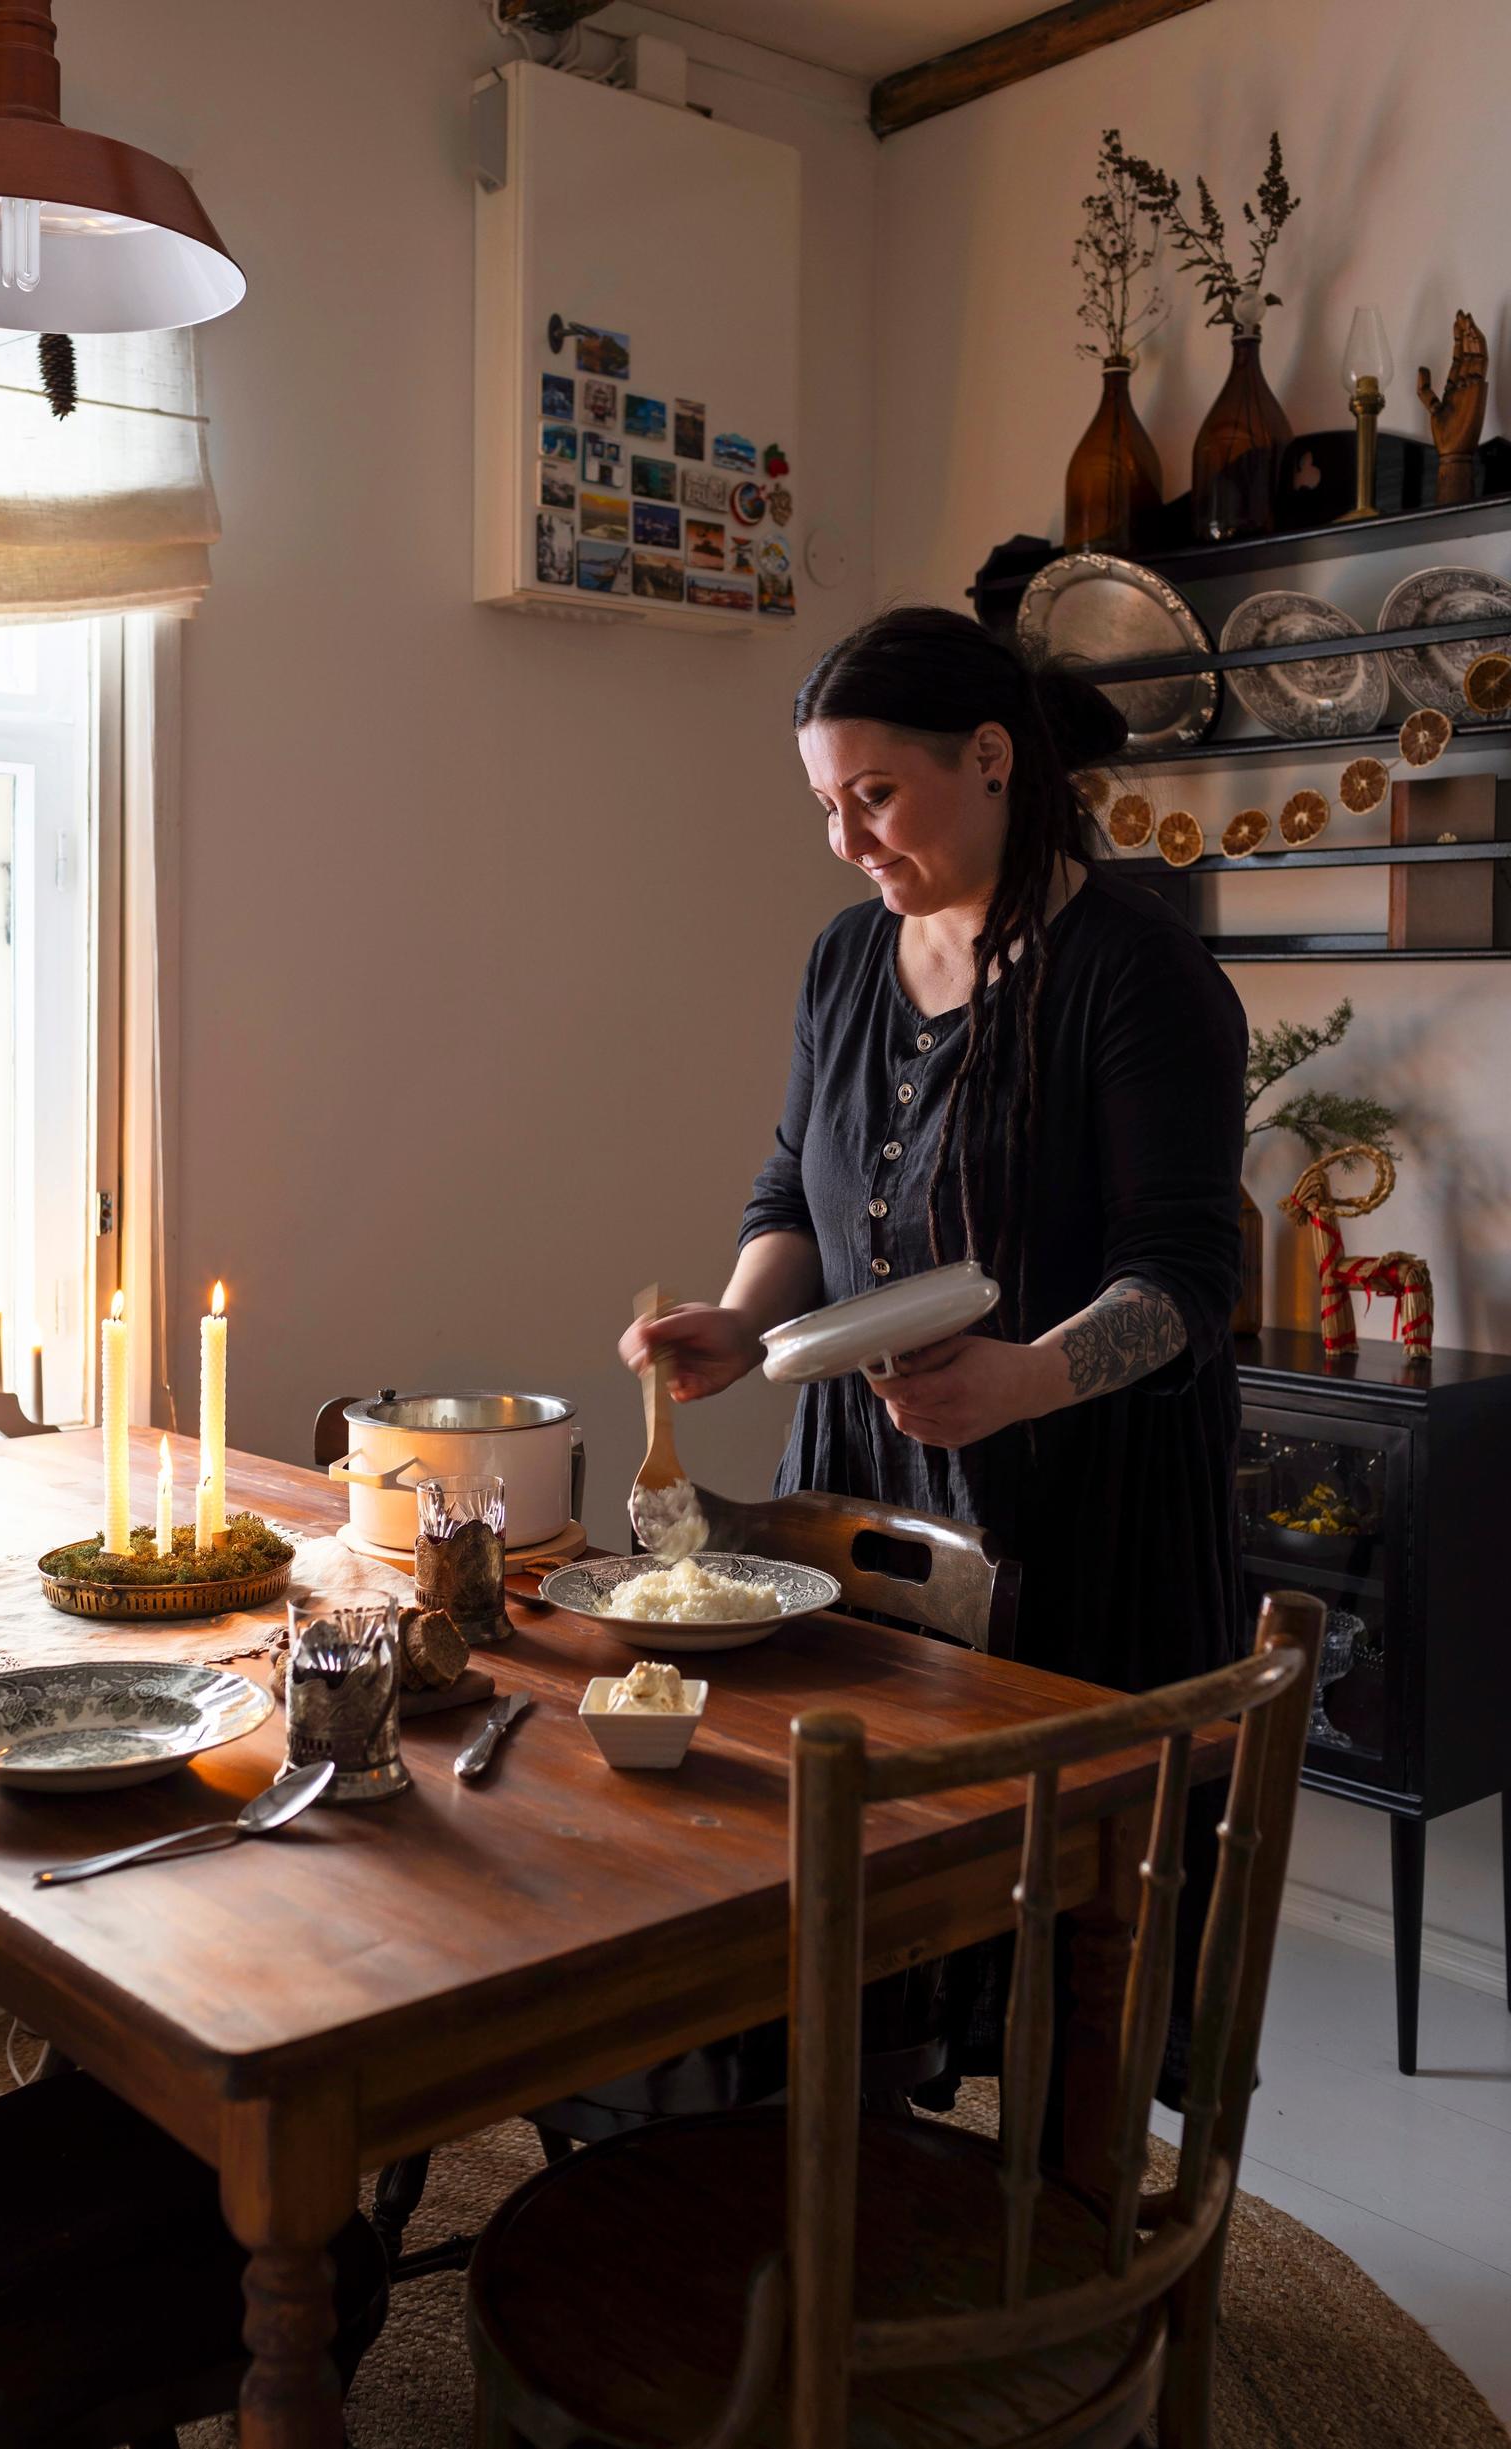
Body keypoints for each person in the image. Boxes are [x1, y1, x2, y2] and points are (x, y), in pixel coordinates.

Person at [620, 605, 1249, 2102]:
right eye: (825, 806)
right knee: (859, 1893)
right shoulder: (849, 959)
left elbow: (1187, 1272)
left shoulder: (1136, 969)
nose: (846, 839)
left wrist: (1024, 1376)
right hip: (866, 1476)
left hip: (1073, 1497)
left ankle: (1045, 2213)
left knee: (1056, 1930)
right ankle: (866, 2179)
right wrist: (742, 1316)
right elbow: (799, 1192)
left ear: (989, 758)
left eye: (874, 797)